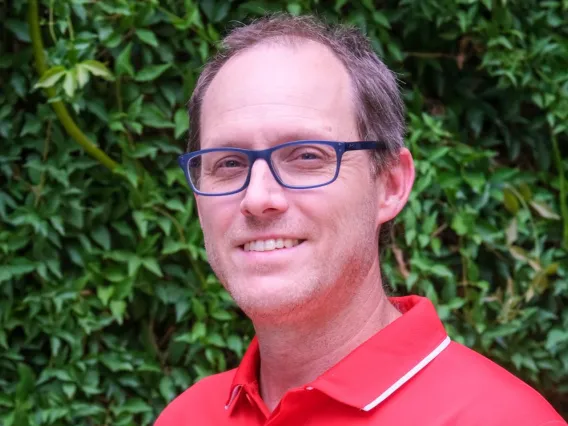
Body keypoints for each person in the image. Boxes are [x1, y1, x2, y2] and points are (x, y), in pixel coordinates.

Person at [155, 14, 565, 426]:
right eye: (228, 162)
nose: (258, 197)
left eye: (306, 156)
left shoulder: (501, 418)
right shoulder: (186, 416)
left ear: (389, 185)